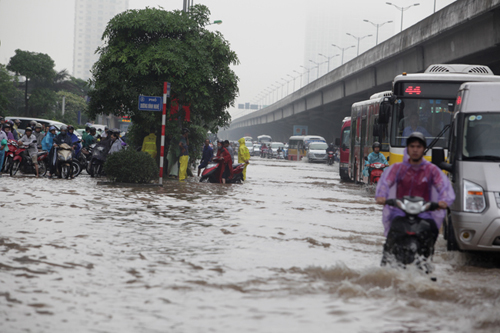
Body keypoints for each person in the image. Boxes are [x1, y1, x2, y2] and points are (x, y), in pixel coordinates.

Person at [375, 132, 455, 261]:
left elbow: (443, 186)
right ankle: (387, 259)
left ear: (423, 149)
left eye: (418, 146)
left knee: (433, 228)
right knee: (393, 230)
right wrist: (381, 196)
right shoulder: (398, 168)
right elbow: (386, 182)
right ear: (407, 148)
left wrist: (443, 201)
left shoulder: (431, 170)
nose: (415, 149)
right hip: (400, 211)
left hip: (424, 212)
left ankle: (428, 259)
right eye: (412, 146)